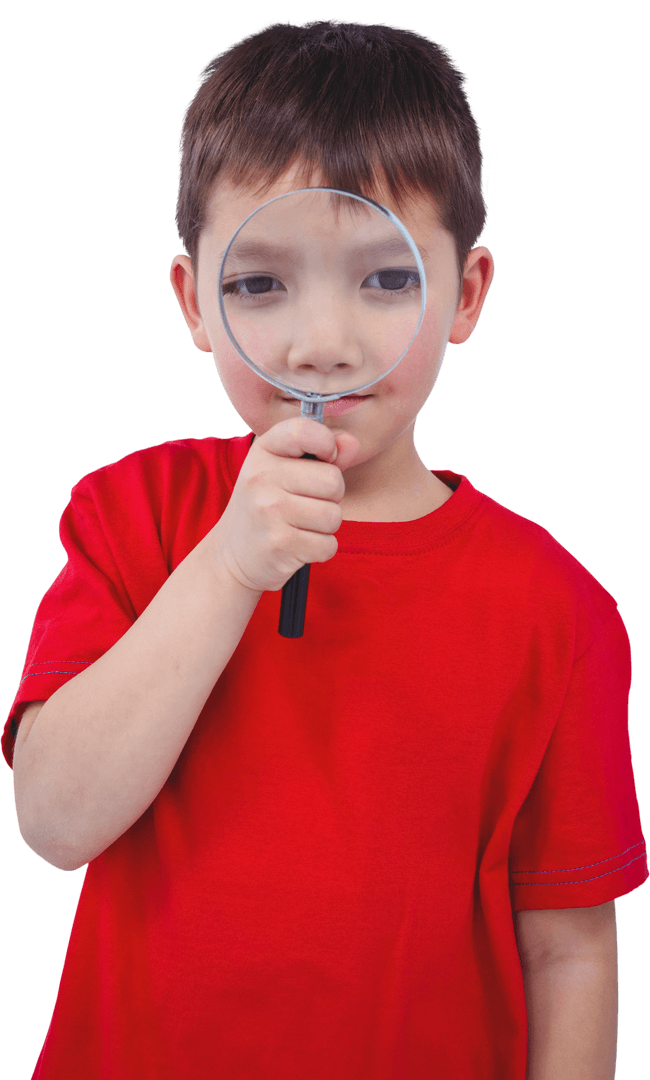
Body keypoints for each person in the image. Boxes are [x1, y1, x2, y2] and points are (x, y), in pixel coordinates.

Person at [5, 19, 647, 1080]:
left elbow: (569, 949)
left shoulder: (557, 608)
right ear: (194, 304)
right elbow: (55, 820)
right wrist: (226, 566)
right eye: (258, 285)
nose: (321, 345)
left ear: (467, 295)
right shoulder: (131, 513)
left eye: (386, 281)